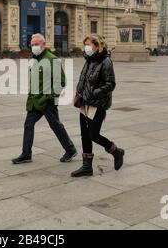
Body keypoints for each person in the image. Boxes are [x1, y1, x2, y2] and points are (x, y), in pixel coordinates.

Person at [12, 33, 77, 164]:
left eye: (36, 44)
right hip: (35, 101)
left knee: (55, 125)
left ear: (44, 44)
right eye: (32, 45)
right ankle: (26, 154)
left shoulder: (52, 59)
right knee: (28, 125)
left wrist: (49, 96)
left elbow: (62, 81)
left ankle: (70, 149)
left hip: (47, 101)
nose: (34, 47)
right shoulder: (35, 60)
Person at [71, 36, 125, 177]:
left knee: (93, 134)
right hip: (84, 103)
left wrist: (92, 94)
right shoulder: (89, 60)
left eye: (88, 45)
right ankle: (86, 167)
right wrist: (79, 90)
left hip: (97, 104)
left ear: (97, 45)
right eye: (85, 45)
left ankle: (116, 151)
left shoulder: (105, 61)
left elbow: (110, 84)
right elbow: (83, 78)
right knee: (84, 135)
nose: (86, 48)